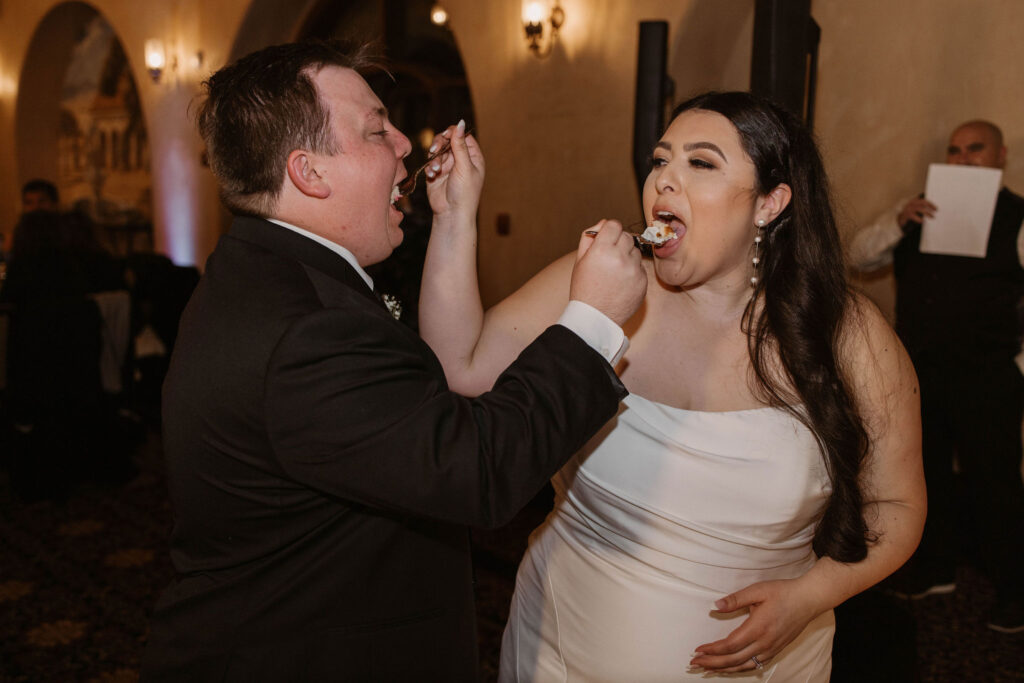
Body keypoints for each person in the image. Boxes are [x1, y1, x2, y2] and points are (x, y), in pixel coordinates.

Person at [140, 40, 647, 682]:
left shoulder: (266, 272)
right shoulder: (306, 328)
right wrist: (594, 321)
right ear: (309, 172)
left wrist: (456, 217)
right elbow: (477, 470)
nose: (406, 143)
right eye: (377, 129)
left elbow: (420, 399)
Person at [419, 91, 926, 680]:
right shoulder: (600, 288)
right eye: (661, 161)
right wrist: (455, 217)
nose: (663, 181)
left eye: (701, 163)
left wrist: (811, 596)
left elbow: (899, 505)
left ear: (770, 203)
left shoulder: (847, 334)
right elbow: (460, 367)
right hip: (564, 648)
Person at [848, 120, 1024, 634]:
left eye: (975, 149)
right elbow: (860, 255)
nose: (962, 157)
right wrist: (900, 221)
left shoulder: (1017, 216)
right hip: (922, 371)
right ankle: (937, 568)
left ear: (1000, 156)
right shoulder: (919, 207)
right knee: (926, 477)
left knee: (996, 483)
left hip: (989, 376)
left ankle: (1017, 589)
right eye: (954, 150)